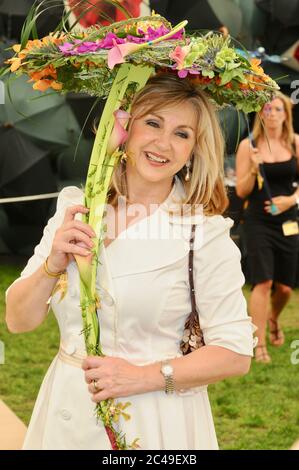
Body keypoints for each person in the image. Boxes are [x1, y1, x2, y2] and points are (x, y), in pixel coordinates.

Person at [6, 74, 255, 450]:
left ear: (194, 149)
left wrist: (143, 377)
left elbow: (235, 354)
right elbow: (17, 321)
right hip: (64, 416)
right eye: (153, 123)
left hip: (154, 421)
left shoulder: (203, 233)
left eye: (182, 134)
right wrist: (52, 264)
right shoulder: (76, 207)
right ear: (124, 126)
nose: (163, 144)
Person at [236, 92, 299, 364]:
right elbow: (241, 190)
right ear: (260, 114)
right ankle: (258, 343)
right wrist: (252, 167)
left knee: (284, 288)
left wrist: (291, 200)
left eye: (277, 109)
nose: (271, 113)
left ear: (286, 114)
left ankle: (273, 318)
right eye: (266, 109)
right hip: (258, 220)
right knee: (263, 282)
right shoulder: (248, 146)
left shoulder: (296, 144)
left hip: (289, 220)